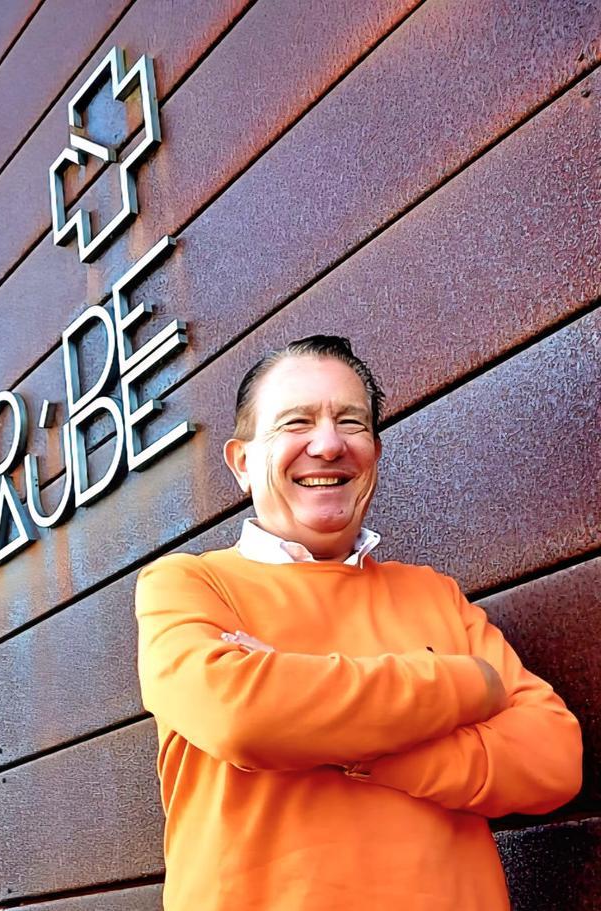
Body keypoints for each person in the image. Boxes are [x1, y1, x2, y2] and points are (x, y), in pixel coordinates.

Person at [134, 335, 583, 910]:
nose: (328, 445)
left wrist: (346, 738)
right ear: (243, 463)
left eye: (351, 423)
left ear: (374, 451)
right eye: (296, 422)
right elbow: (243, 716)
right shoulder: (186, 584)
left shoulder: (433, 593)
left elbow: (552, 760)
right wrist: (470, 682)